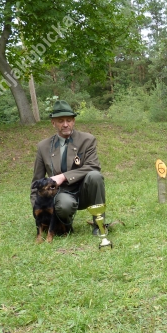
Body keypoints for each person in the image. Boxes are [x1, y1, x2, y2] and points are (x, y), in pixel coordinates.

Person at [30, 100, 106, 234]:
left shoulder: (87, 140)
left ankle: (99, 225)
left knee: (95, 176)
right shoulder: (43, 146)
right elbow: (37, 181)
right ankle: (64, 222)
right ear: (53, 122)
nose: (65, 124)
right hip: (61, 194)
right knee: (64, 206)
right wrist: (38, 212)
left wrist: (63, 176)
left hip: (84, 191)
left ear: (74, 121)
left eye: (69, 120)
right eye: (60, 121)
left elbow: (93, 166)